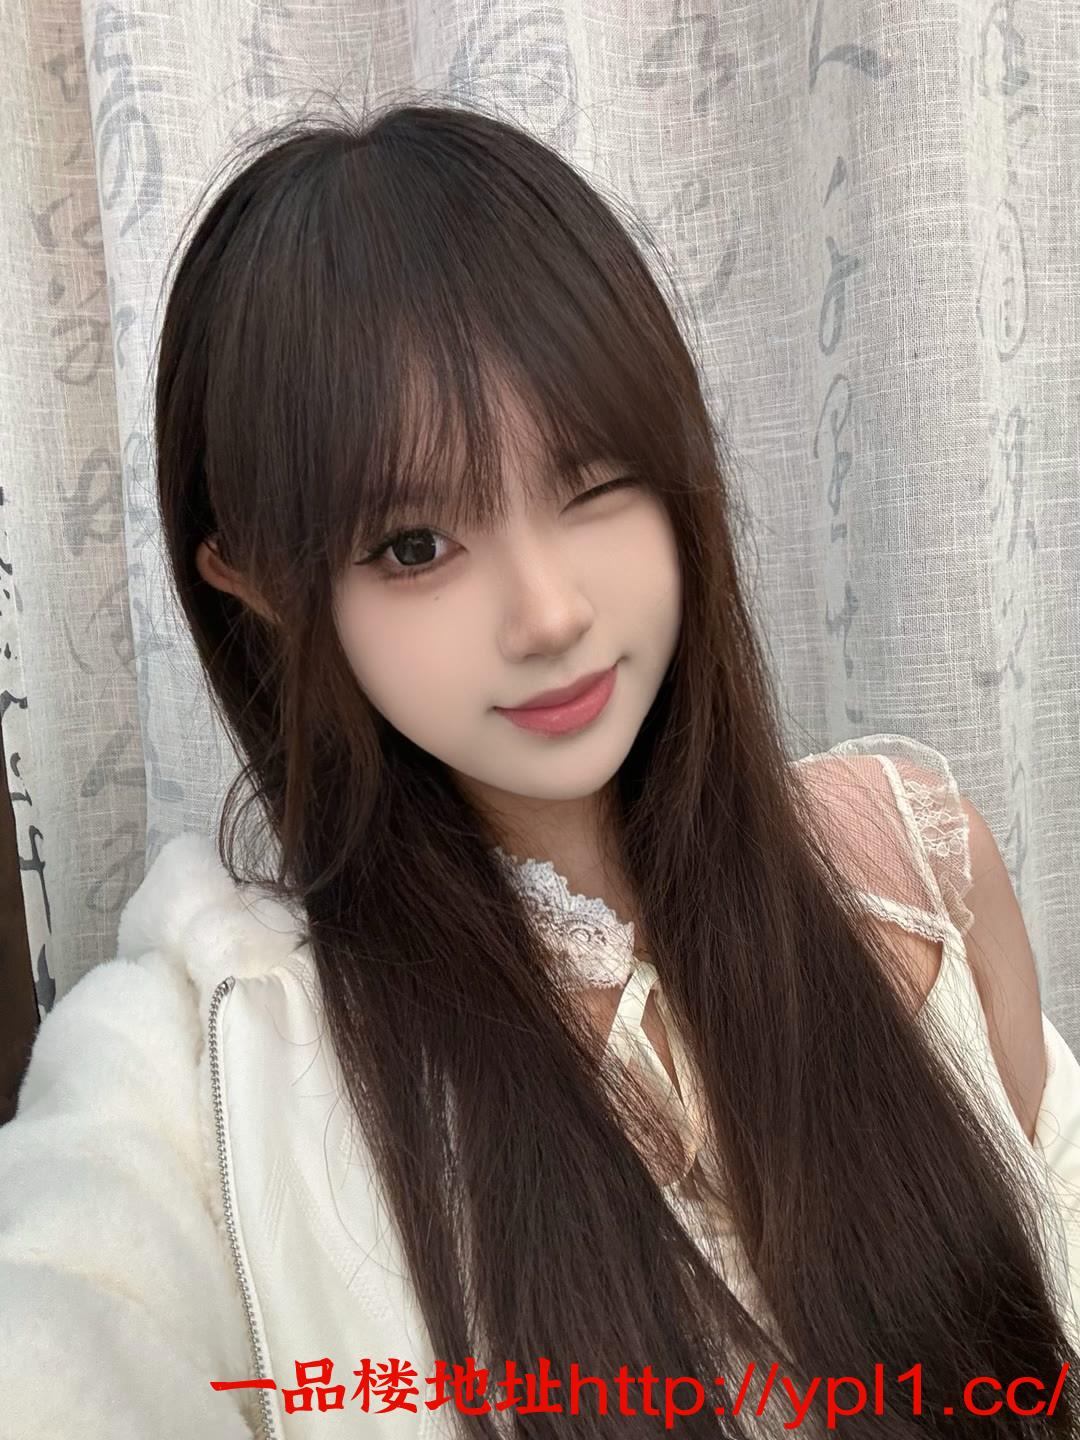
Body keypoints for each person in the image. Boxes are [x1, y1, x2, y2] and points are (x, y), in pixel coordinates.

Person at [1, 98, 1079, 1440]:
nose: (551, 611)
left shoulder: (914, 867)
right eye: (414, 544)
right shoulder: (207, 1052)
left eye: (593, 479)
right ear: (264, 581)